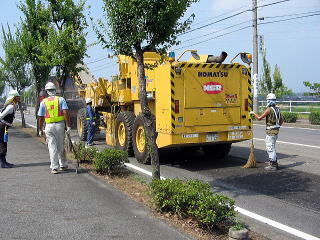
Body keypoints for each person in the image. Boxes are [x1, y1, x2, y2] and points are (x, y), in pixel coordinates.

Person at [38, 82, 71, 174]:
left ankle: (54, 167)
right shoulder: (61, 99)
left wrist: (40, 129)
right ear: (55, 90)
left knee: (52, 146)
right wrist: (68, 126)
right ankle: (63, 164)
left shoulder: (43, 102)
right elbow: (65, 112)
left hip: (49, 126)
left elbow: (40, 117)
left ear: (47, 91)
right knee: (60, 145)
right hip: (60, 125)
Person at [250, 93, 284, 171]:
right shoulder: (277, 109)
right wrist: (278, 126)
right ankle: (274, 163)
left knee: (270, 147)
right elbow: (282, 120)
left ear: (269, 101)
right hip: (276, 131)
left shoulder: (269, 110)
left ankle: (273, 165)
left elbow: (259, 118)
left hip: (270, 132)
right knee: (273, 147)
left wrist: (253, 113)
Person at [0, 90, 20, 168]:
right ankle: (3, 163)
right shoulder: (11, 106)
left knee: (3, 143)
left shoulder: (11, 105)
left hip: (3, 127)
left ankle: (4, 161)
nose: (19, 98)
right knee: (2, 144)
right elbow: (1, 116)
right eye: (17, 97)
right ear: (14, 97)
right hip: (2, 127)